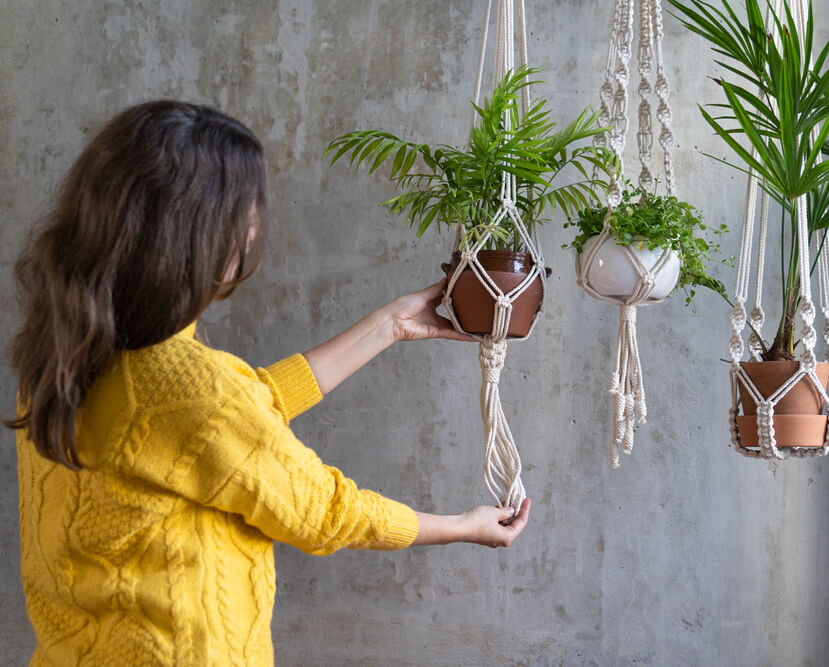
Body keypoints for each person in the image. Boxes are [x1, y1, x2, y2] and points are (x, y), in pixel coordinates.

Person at [5, 100, 531, 666]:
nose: (256, 226)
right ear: (194, 230)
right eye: (245, 211)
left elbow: (234, 417)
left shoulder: (61, 363)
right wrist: (462, 526)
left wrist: (388, 327)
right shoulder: (189, 389)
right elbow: (321, 508)